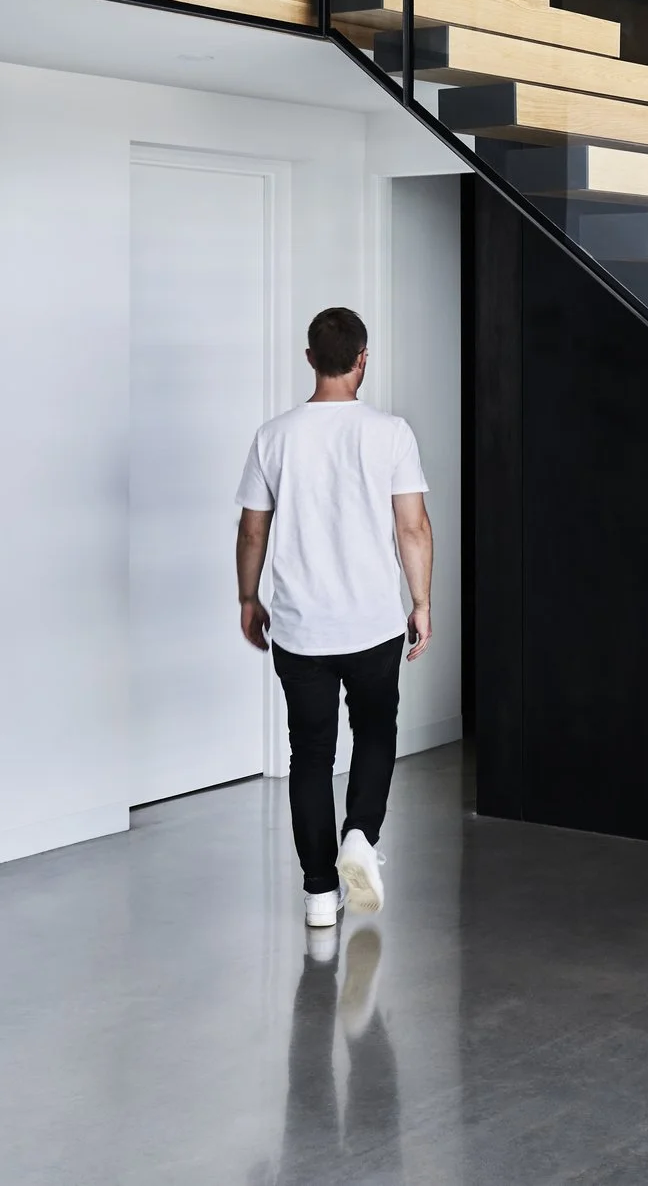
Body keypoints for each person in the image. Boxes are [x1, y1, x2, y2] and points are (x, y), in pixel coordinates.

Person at [235, 306, 431, 930]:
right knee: (375, 736)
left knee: (311, 755)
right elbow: (413, 527)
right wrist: (421, 603)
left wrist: (248, 597)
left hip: (299, 627)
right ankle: (360, 837)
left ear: (311, 359)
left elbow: (251, 530)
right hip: (372, 621)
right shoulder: (390, 432)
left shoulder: (274, 435)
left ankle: (320, 893)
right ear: (363, 358)